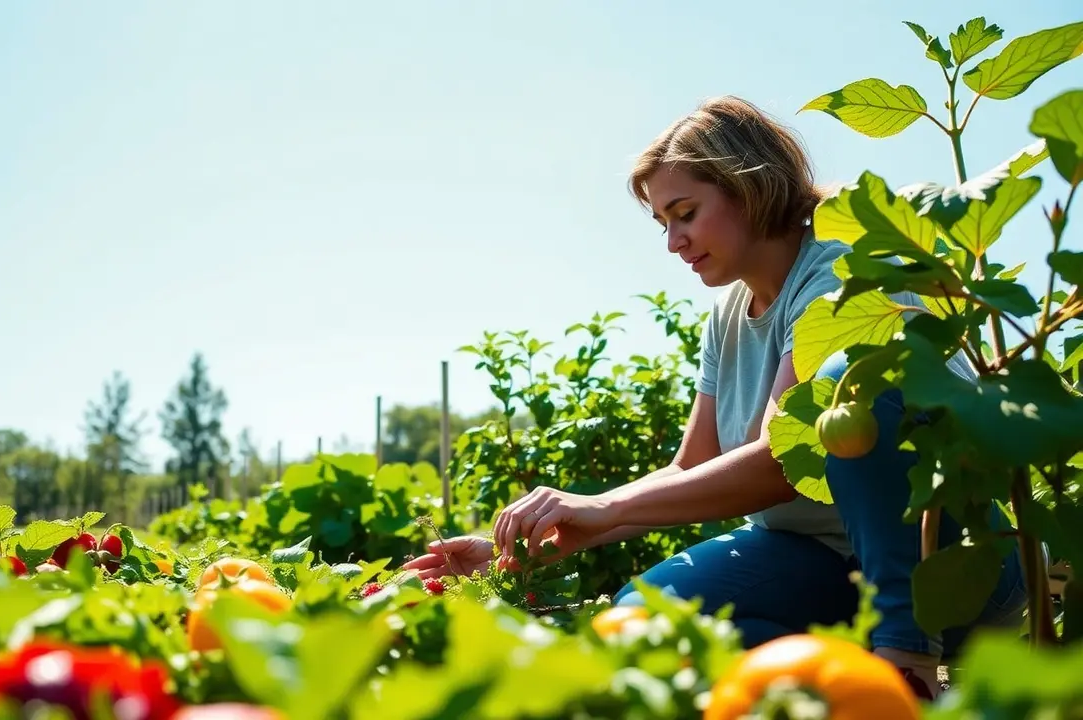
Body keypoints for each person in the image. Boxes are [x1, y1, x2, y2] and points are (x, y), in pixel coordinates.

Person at [401, 95, 1028, 700]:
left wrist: (603, 505)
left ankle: (905, 665)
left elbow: (784, 460)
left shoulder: (842, 271)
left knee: (855, 383)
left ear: (749, 186)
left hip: (953, 565)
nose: (673, 241)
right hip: (826, 565)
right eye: (663, 222)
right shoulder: (727, 318)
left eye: (686, 212)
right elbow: (690, 470)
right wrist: (527, 548)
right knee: (651, 624)